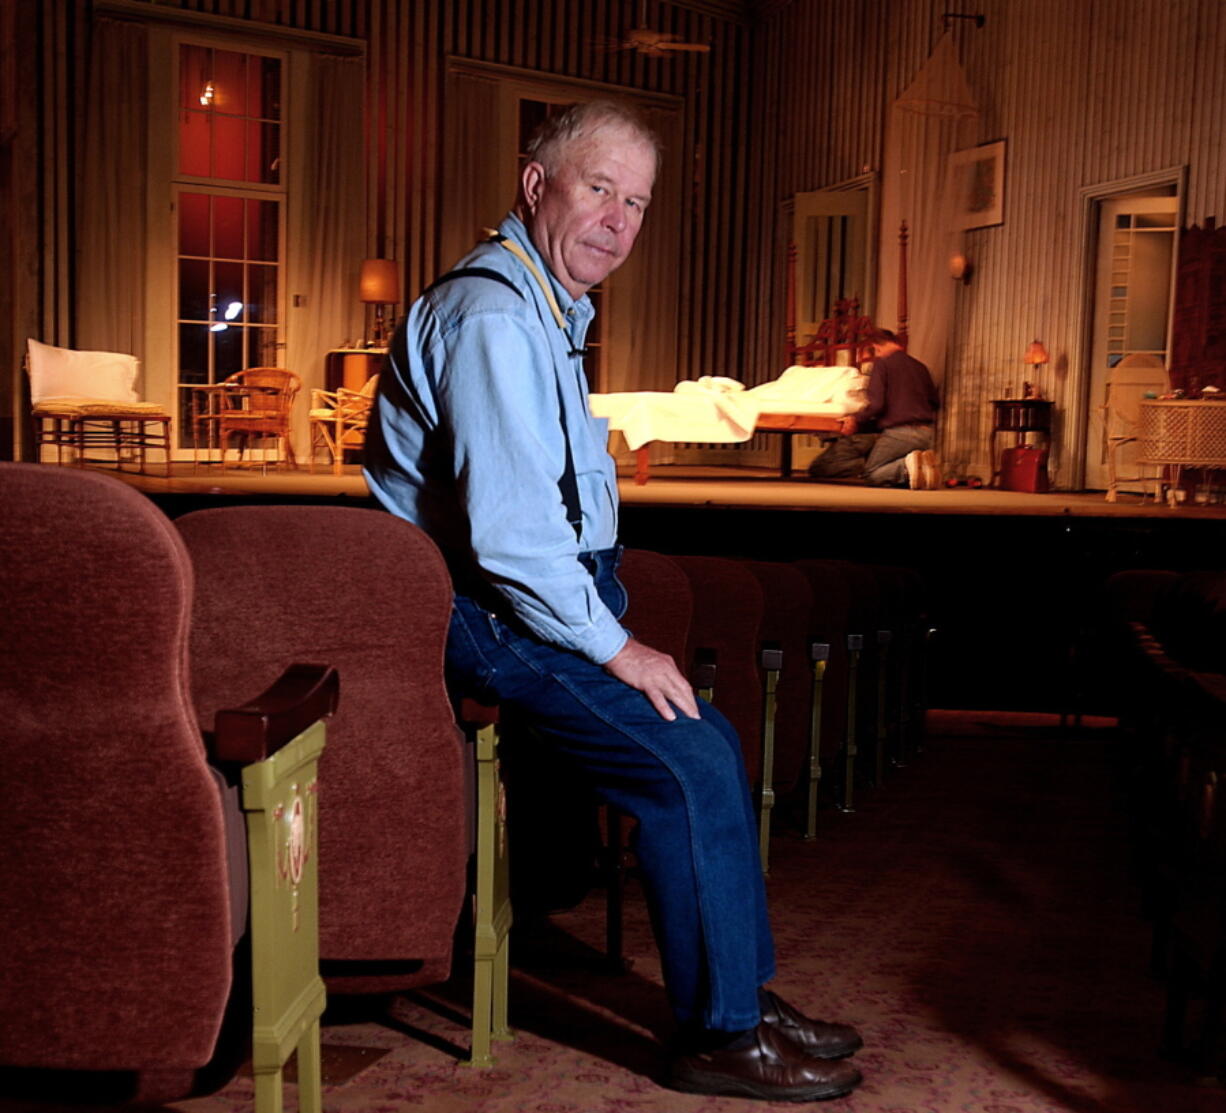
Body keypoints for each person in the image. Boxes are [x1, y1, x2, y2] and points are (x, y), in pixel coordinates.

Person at [363, 100, 863, 1103]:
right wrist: (616, 648)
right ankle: (718, 1037)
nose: (618, 221)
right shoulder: (497, 312)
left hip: (539, 595)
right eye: (598, 190)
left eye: (634, 202)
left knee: (709, 744)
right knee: (684, 762)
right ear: (536, 184)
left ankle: (741, 1000)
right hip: (490, 609)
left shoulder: (545, 305)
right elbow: (507, 538)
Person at [808, 328, 940, 489]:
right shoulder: (921, 367)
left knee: (872, 473)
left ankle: (905, 465)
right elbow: (935, 403)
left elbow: (877, 405)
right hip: (926, 434)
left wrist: (855, 419)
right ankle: (918, 464)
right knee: (881, 465)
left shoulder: (882, 364)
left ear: (876, 347)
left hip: (900, 433)